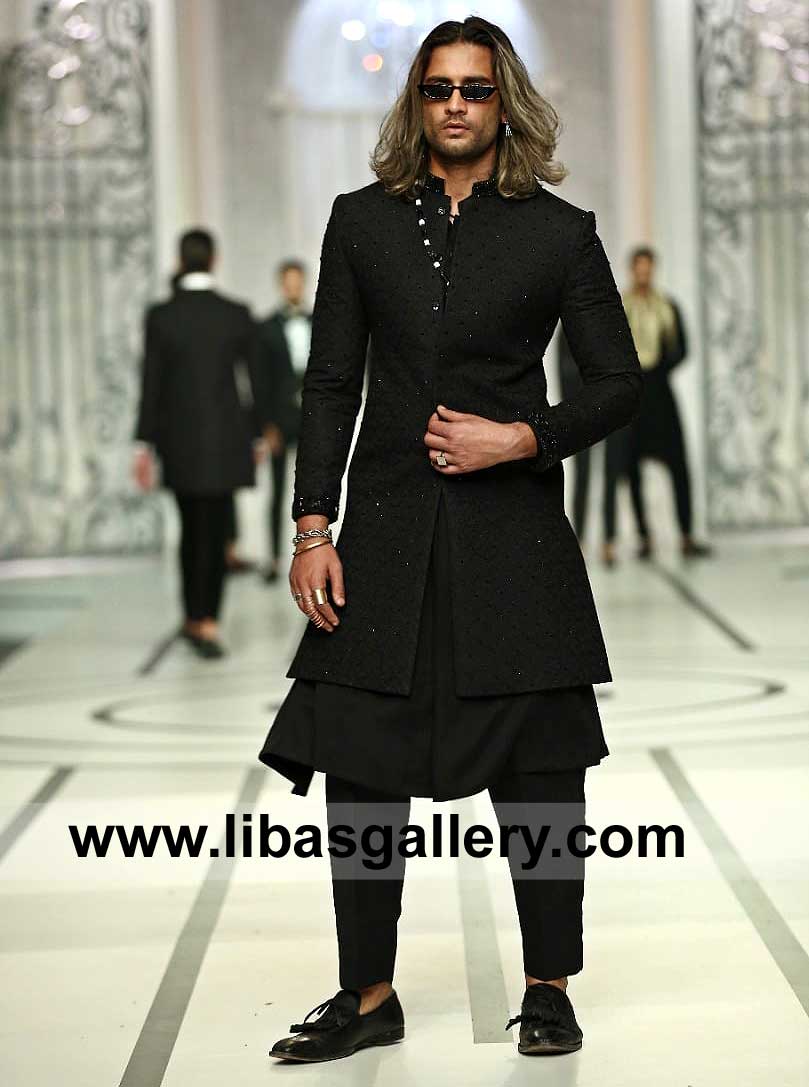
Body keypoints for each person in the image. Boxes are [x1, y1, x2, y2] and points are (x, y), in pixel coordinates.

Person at [259, 16, 642, 1063]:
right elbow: (329, 382)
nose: (457, 105)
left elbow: (617, 382)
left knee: (542, 771)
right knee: (357, 762)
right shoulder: (361, 222)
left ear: (502, 100)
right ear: (416, 102)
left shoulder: (557, 232)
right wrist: (311, 524)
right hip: (381, 536)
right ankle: (368, 994)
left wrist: (521, 436)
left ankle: (548, 986)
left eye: (475, 88)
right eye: (439, 89)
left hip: (513, 539)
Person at [133, 229, 264, 658]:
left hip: (179, 443)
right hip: (226, 440)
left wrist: (143, 445)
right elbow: (255, 382)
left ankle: (194, 617)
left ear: (180, 260)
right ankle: (207, 621)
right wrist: (258, 433)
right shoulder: (236, 314)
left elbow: (151, 384)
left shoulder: (162, 316)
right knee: (215, 531)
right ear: (214, 259)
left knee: (191, 532)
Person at [601, 245, 713, 566]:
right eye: (639, 268)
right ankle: (644, 536)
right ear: (632, 270)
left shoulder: (666, 306)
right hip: (631, 395)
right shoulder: (622, 308)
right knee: (630, 467)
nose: (644, 274)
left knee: (678, 463)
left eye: (648, 268)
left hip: (660, 394)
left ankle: (685, 533)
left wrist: (660, 368)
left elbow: (682, 347)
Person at [252, 259, 313, 583]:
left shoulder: (319, 322)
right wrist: (266, 424)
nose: (293, 288)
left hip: (312, 417)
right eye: (288, 282)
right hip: (280, 419)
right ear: (281, 285)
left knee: (314, 487)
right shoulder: (266, 328)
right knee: (276, 491)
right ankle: (275, 558)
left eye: (297, 281)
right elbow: (259, 381)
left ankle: (314, 554)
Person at [556, 326, 592, 540]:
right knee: (583, 472)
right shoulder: (568, 328)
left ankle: (607, 538)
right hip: (582, 412)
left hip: (592, 408)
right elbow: (564, 372)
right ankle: (580, 532)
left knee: (610, 473)